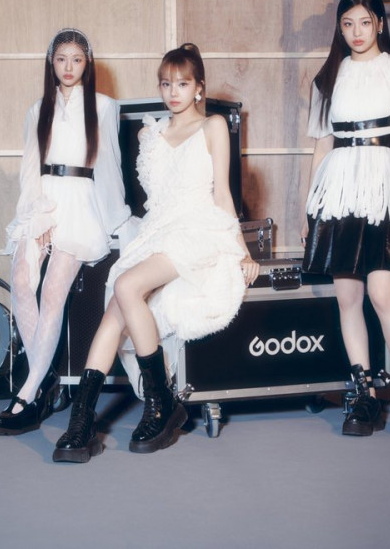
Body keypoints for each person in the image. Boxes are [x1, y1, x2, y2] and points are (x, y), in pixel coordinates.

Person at [53, 43, 260, 463]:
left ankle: (160, 401)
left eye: (182, 84)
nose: (173, 92)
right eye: (166, 84)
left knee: (127, 285)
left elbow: (223, 194)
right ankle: (82, 420)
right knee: (115, 306)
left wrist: (241, 250)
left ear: (199, 88)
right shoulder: (151, 134)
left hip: (197, 228)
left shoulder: (213, 126)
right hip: (157, 230)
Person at [301, 0, 390, 443]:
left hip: (383, 190)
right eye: (348, 24)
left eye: (365, 22)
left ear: (380, 23)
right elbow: (321, 147)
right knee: (348, 297)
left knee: (383, 294)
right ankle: (362, 393)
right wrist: (308, 209)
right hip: (339, 192)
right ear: (340, 29)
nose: (357, 32)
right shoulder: (328, 77)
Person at [0, 28, 130, 435]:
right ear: (50, 63)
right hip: (44, 202)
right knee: (21, 282)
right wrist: (35, 217)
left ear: (87, 63)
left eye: (76, 59)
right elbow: (29, 169)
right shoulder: (37, 109)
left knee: (54, 291)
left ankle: (28, 392)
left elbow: (109, 169)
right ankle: (46, 378)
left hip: (81, 204)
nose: (68, 67)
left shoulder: (104, 106)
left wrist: (117, 222)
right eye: (61, 59)